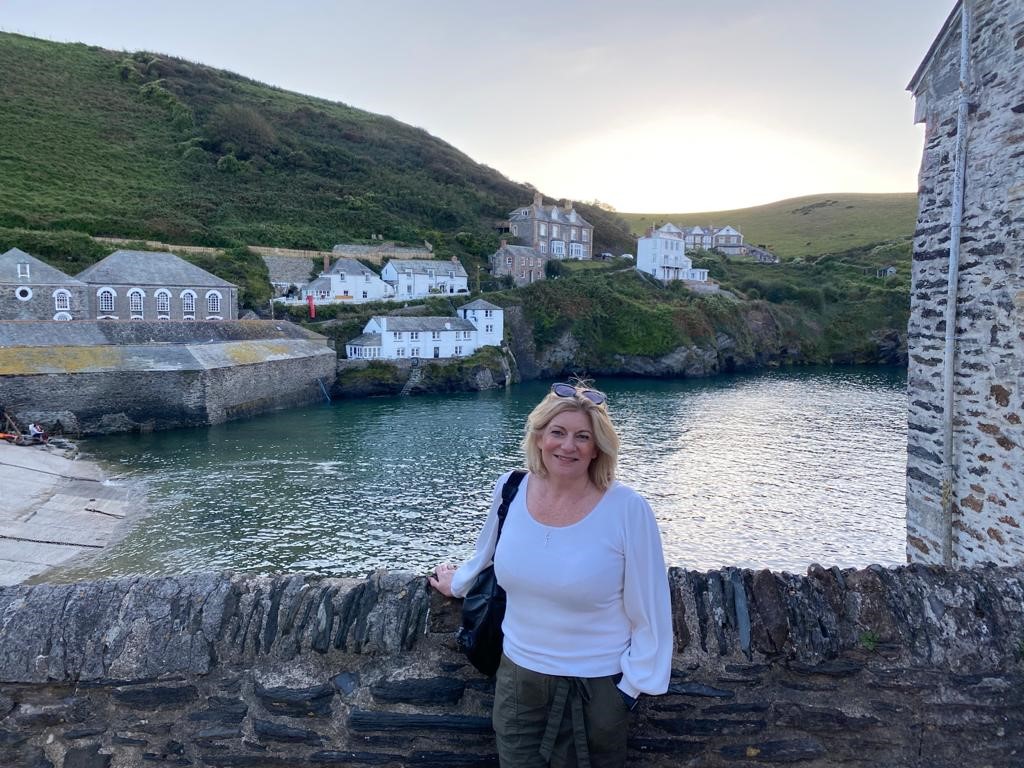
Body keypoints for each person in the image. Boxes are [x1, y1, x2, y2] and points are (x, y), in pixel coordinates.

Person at [430, 382, 672, 768]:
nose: (568, 446)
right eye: (557, 432)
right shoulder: (511, 487)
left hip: (595, 687)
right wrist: (458, 583)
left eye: (582, 437)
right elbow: (486, 553)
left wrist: (628, 691)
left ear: (598, 448)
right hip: (517, 680)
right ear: (539, 436)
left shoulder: (627, 509)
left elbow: (652, 607)